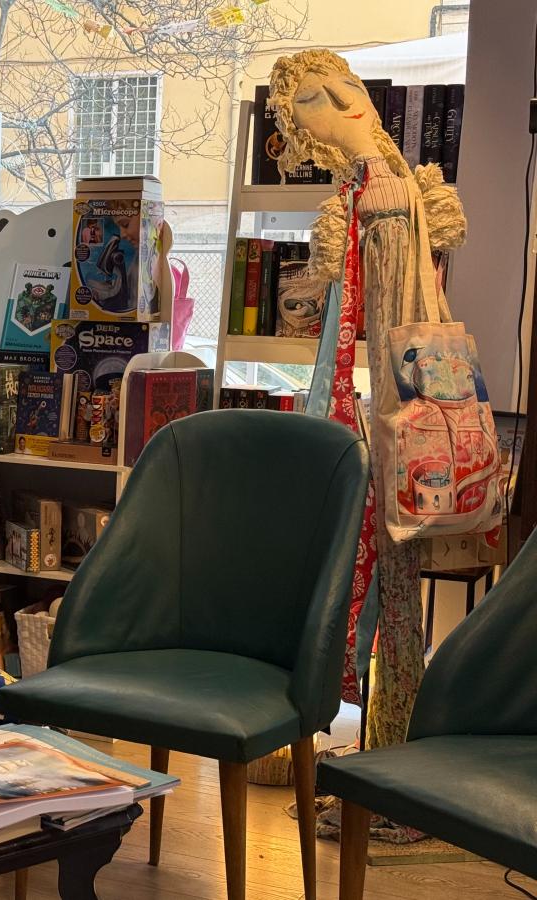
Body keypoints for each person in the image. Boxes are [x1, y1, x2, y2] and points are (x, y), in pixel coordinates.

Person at [269, 50, 468, 751]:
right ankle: (377, 735)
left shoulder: (394, 191)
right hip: (387, 406)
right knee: (377, 566)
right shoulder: (367, 195)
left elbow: (400, 315)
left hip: (402, 410)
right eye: (312, 100)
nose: (341, 101)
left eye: (344, 86)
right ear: (304, 135)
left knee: (392, 565)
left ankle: (391, 741)